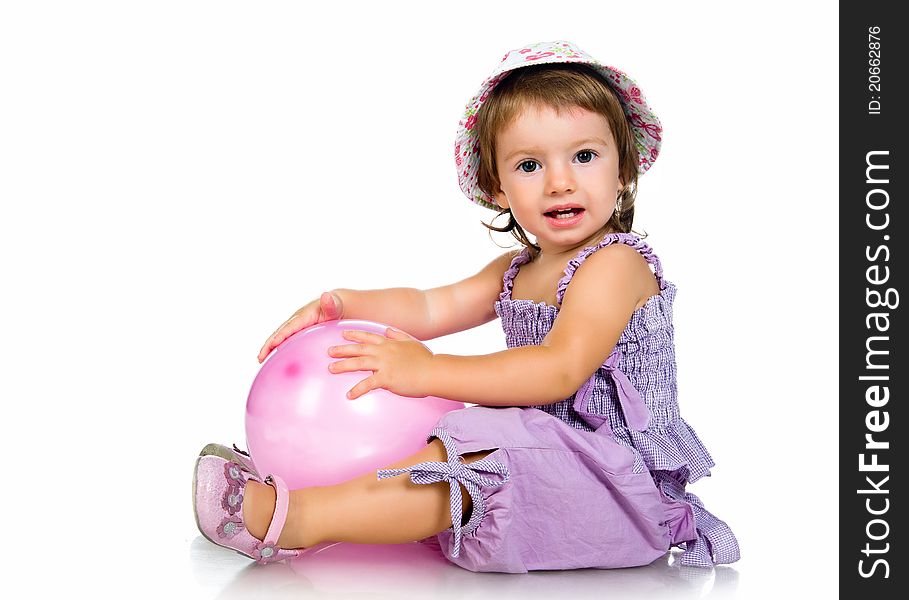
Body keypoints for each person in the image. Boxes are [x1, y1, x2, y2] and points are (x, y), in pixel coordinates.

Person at [192, 40, 740, 573]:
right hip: (552, 461)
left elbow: (558, 369)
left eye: (585, 156)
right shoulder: (517, 270)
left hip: (619, 485)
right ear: (496, 186)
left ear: (622, 171)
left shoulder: (615, 264)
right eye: (529, 165)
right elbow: (433, 307)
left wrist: (428, 372)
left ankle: (294, 520)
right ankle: (309, 493)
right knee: (470, 442)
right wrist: (342, 304)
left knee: (470, 465)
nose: (559, 181)